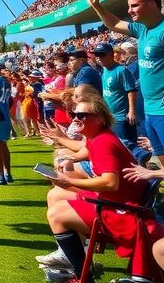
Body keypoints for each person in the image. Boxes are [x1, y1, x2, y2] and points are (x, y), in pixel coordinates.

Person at [44, 94, 153, 282]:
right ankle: (74, 257)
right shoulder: (98, 136)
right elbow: (85, 150)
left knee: (56, 214)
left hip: (122, 212)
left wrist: (70, 182)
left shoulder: (103, 142)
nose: (76, 118)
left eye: (82, 115)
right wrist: (70, 156)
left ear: (100, 119)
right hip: (118, 202)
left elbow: (111, 183)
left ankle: (83, 276)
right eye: (74, 114)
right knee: (56, 194)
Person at [86, 0, 164, 164]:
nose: (129, 11)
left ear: (152, 4)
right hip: (149, 110)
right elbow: (113, 24)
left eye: (134, 6)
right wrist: (97, 6)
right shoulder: (142, 29)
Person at [92, 43, 138, 147]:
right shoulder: (104, 70)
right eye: (97, 55)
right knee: (115, 145)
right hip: (110, 115)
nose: (99, 58)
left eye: (102, 55)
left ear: (111, 54)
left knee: (127, 146)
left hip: (122, 117)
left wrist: (131, 111)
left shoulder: (121, 70)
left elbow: (131, 91)